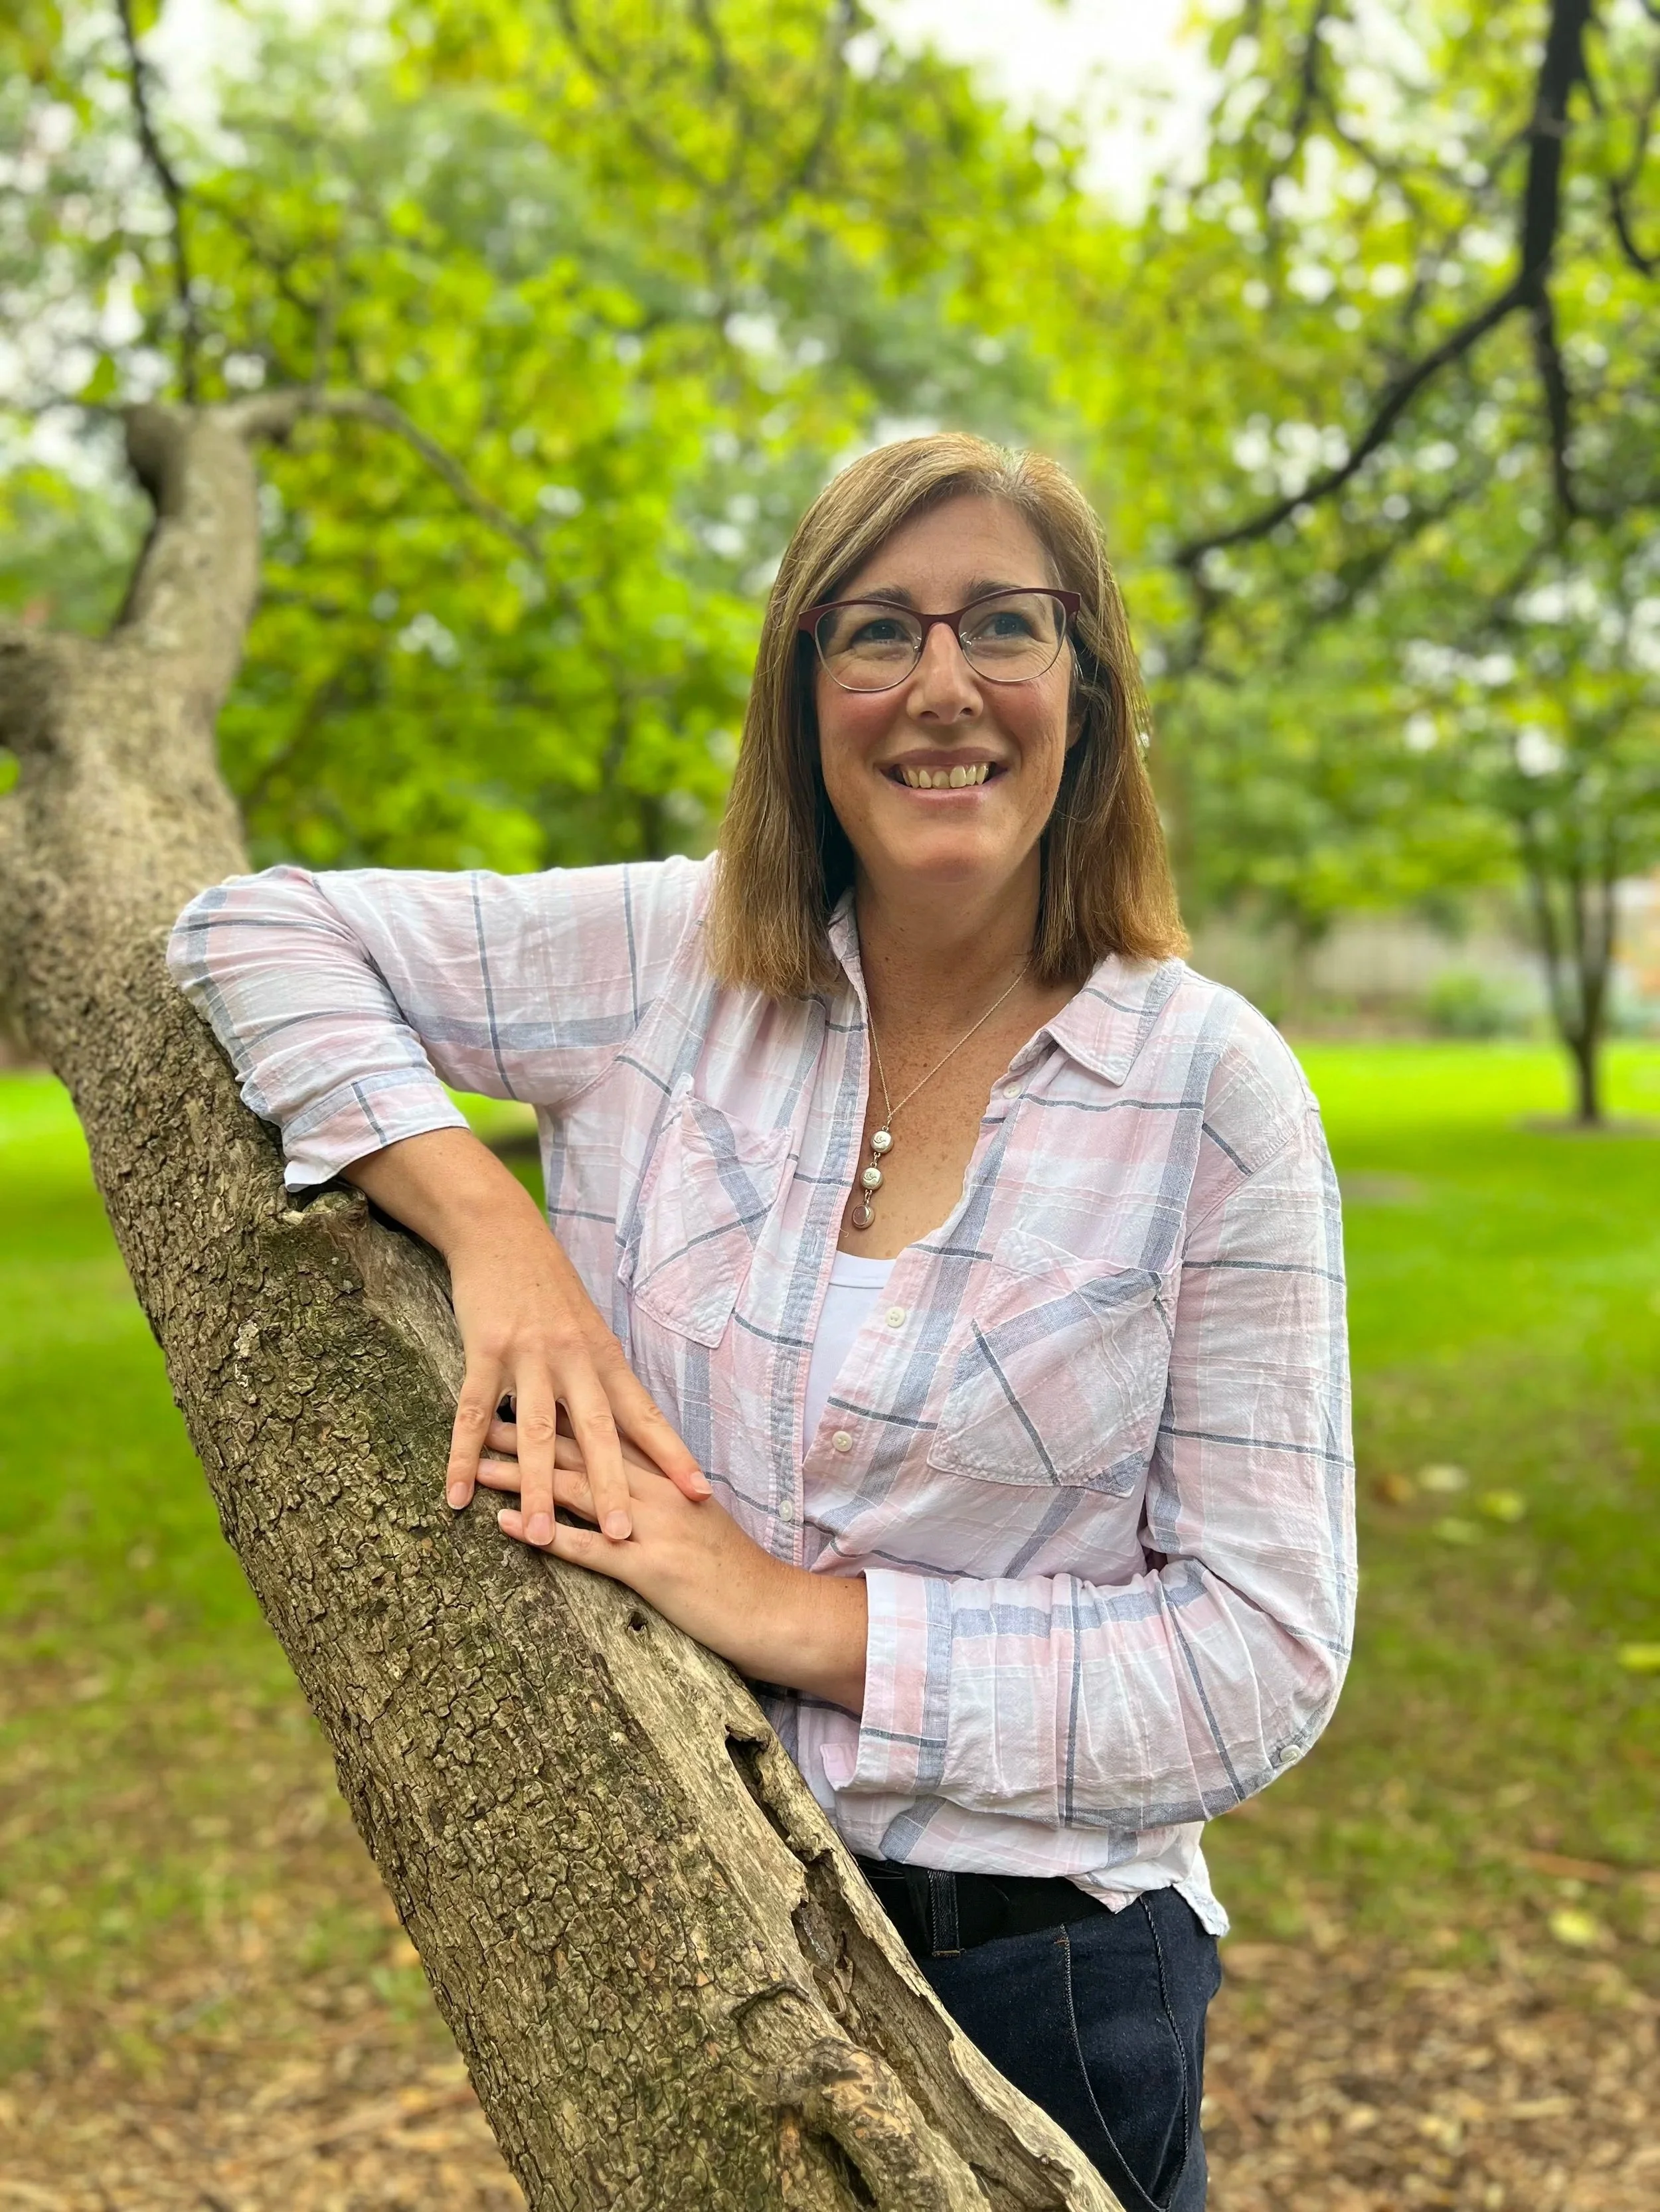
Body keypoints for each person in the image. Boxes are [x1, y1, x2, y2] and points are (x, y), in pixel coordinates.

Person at [169, 433, 1354, 2211]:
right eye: (873, 631)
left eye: (1003, 627)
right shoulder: (671, 956)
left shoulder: (1210, 1092)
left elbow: (1261, 1652)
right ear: (802, 699)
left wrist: (805, 1622)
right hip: (677, 1913)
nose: (939, 685)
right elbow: (248, 929)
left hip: (1039, 1982)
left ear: (1088, 694)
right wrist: (494, 1225)